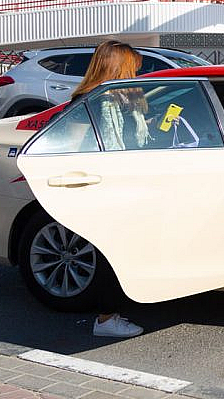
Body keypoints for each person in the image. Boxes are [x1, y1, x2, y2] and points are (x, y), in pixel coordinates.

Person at [69, 40, 146, 338]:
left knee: (121, 250)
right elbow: (75, 144)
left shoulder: (117, 99)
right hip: (107, 183)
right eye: (133, 68)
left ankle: (114, 310)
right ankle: (105, 319)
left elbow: (124, 134)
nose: (136, 75)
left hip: (125, 179)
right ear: (119, 67)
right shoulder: (91, 100)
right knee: (110, 254)